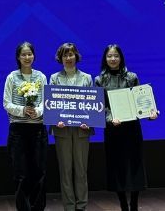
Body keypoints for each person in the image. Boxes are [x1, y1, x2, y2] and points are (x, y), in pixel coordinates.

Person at [94, 44, 159, 211]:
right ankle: (123, 203)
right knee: (117, 168)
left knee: (135, 167)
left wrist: (150, 113)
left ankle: (134, 204)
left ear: (121, 58)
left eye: (116, 56)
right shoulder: (99, 80)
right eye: (109, 56)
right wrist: (110, 119)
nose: (113, 59)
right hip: (113, 130)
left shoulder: (131, 77)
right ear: (105, 59)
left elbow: (141, 101)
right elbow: (99, 107)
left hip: (132, 130)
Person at [3, 41, 48, 211]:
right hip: (18, 131)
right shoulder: (12, 77)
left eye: (30, 54)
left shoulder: (41, 77)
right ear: (18, 57)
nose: (27, 57)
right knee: (20, 174)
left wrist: (37, 111)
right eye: (23, 54)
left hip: (38, 130)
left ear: (34, 56)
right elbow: (6, 103)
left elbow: (46, 101)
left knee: (39, 173)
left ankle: (38, 208)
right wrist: (23, 110)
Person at [49, 42, 93, 211]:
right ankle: (69, 206)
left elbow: (92, 104)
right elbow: (51, 104)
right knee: (65, 170)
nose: (68, 58)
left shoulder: (87, 78)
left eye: (71, 54)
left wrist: (89, 120)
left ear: (76, 56)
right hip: (62, 130)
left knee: (81, 170)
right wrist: (56, 119)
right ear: (60, 58)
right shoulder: (54, 78)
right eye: (65, 55)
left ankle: (81, 206)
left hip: (82, 130)